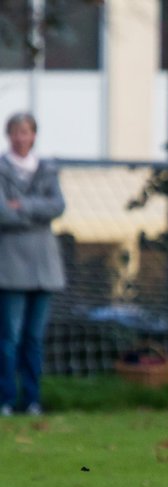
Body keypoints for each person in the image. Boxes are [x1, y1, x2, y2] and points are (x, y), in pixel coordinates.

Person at [0, 112, 66, 417]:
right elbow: (3, 213)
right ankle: (6, 400)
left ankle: (33, 400)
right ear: (8, 135)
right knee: (9, 338)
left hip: (44, 267)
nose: (21, 137)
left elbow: (58, 206)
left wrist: (23, 206)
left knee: (34, 338)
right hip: (10, 266)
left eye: (26, 131)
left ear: (34, 135)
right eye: (15, 131)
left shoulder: (47, 169)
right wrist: (37, 216)